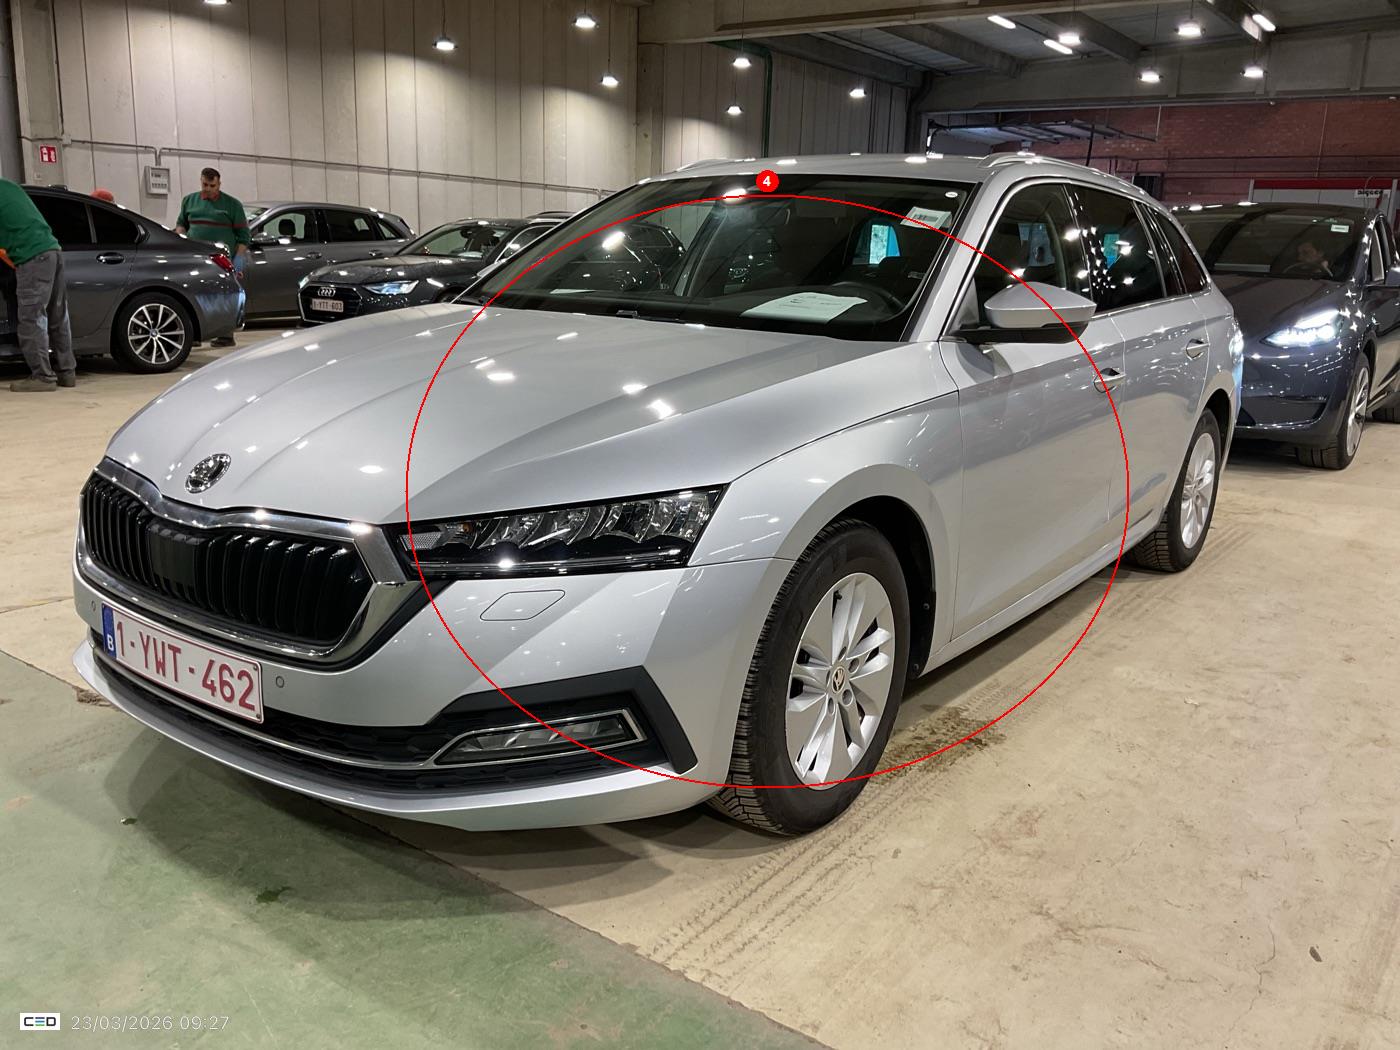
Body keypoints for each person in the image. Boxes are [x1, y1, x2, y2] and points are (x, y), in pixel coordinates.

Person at [0, 177, 76, 392]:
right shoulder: (8, 186)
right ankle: (67, 373)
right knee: (58, 316)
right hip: (53, 251)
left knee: (31, 319)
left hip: (32, 256)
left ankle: (42, 377)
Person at [175, 166, 249, 346]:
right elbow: (181, 224)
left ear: (219, 184)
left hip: (221, 260)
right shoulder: (189, 201)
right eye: (205, 185)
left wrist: (238, 259)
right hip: (195, 258)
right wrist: (182, 239)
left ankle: (226, 335)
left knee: (223, 296)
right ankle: (194, 336)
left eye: (212, 185)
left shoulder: (232, 205)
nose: (208, 189)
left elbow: (244, 236)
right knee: (193, 295)